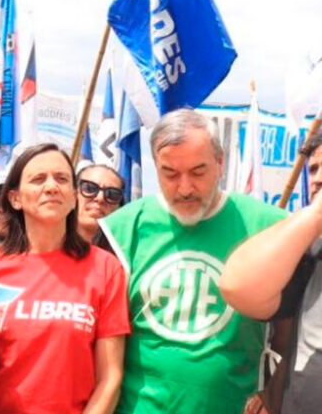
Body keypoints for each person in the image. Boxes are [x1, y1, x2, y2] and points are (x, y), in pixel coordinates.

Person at [99, 108, 288, 414]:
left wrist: (275, 390)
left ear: (221, 163)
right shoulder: (121, 230)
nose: (185, 188)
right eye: (170, 174)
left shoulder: (270, 227)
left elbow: (294, 325)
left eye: (198, 172)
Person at [0, 143, 129, 414]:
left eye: (62, 179)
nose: (52, 187)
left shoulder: (105, 269)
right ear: (15, 198)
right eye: (38, 179)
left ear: (73, 198)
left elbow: (110, 377)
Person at [221, 131, 322, 414]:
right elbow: (237, 286)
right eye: (313, 169)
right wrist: (315, 216)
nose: (317, 179)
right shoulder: (309, 249)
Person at [74, 164, 125, 243]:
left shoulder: (125, 254)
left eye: (112, 194)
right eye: (89, 188)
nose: (100, 198)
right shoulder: (49, 247)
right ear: (73, 194)